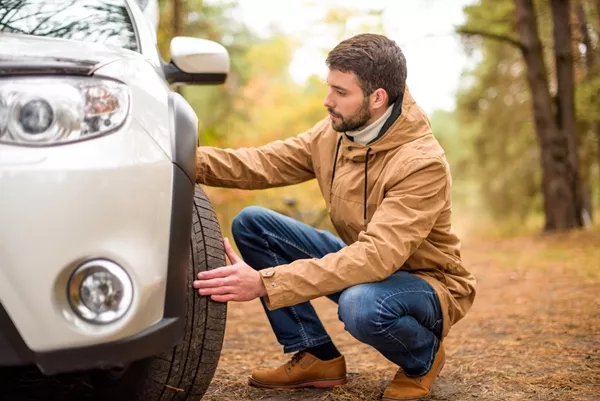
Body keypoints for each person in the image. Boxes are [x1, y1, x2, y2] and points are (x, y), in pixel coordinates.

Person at [193, 33, 476, 400]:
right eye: (330, 88)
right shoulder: (337, 133)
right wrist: (181, 158)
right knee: (254, 224)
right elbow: (261, 163)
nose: (328, 101)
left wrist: (266, 282)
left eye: (341, 92)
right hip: (366, 266)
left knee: (360, 305)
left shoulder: (421, 163)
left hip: (426, 284)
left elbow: (376, 257)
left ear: (378, 98)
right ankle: (316, 355)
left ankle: (423, 358)